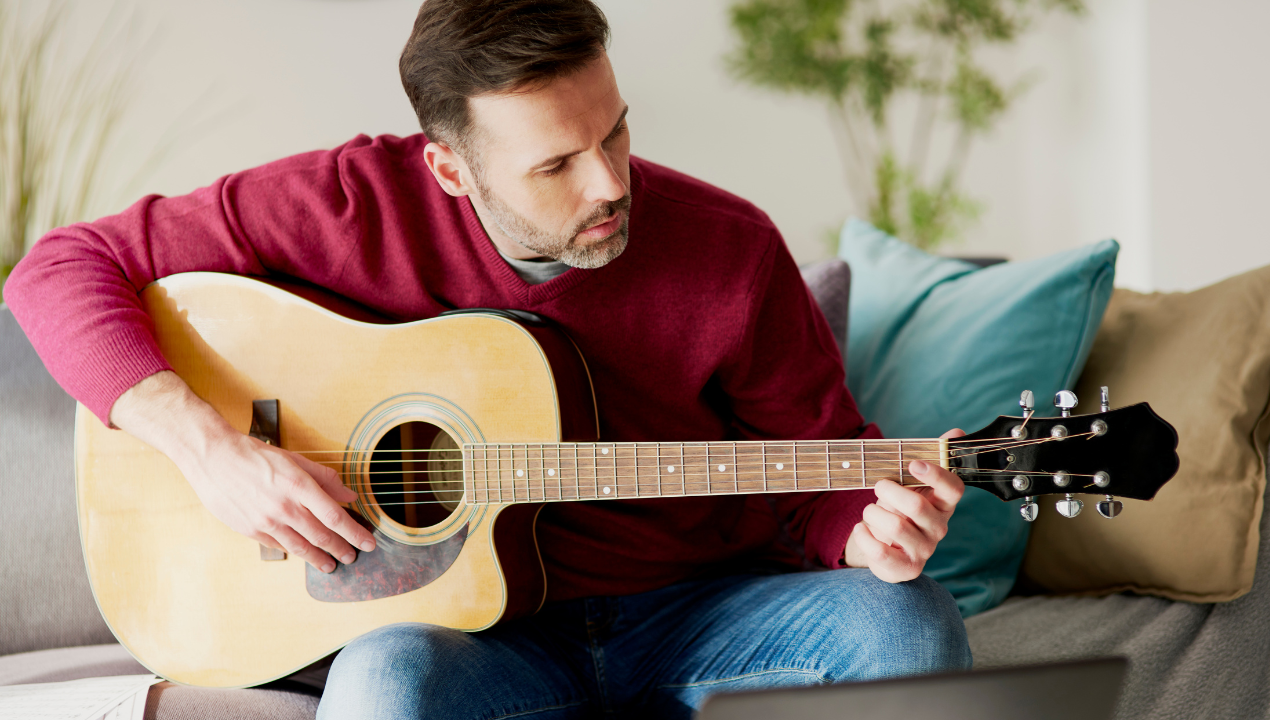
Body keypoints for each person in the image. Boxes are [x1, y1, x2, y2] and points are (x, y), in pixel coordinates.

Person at [6, 0, 971, 717]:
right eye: (554, 165)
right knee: (386, 684)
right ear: (449, 169)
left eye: (617, 130)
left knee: (908, 624)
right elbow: (58, 268)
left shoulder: (729, 248)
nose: (609, 183)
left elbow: (824, 463)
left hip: (696, 611)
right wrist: (214, 455)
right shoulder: (345, 204)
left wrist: (868, 530)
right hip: (473, 640)